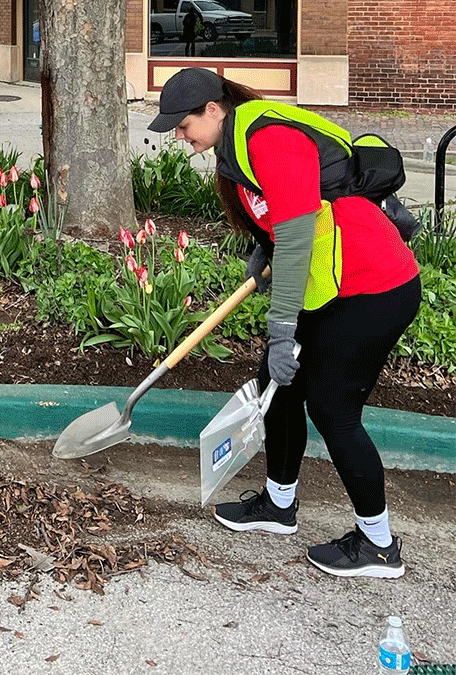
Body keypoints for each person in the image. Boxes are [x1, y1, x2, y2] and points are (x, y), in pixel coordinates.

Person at [148, 68, 420, 578]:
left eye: (183, 125)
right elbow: (285, 218)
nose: (180, 137)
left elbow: (297, 237)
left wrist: (281, 330)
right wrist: (261, 249)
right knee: (275, 383)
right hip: (333, 281)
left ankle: (379, 544)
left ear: (213, 109)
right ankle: (278, 505)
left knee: (332, 407)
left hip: (374, 285)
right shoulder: (235, 147)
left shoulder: (269, 139)